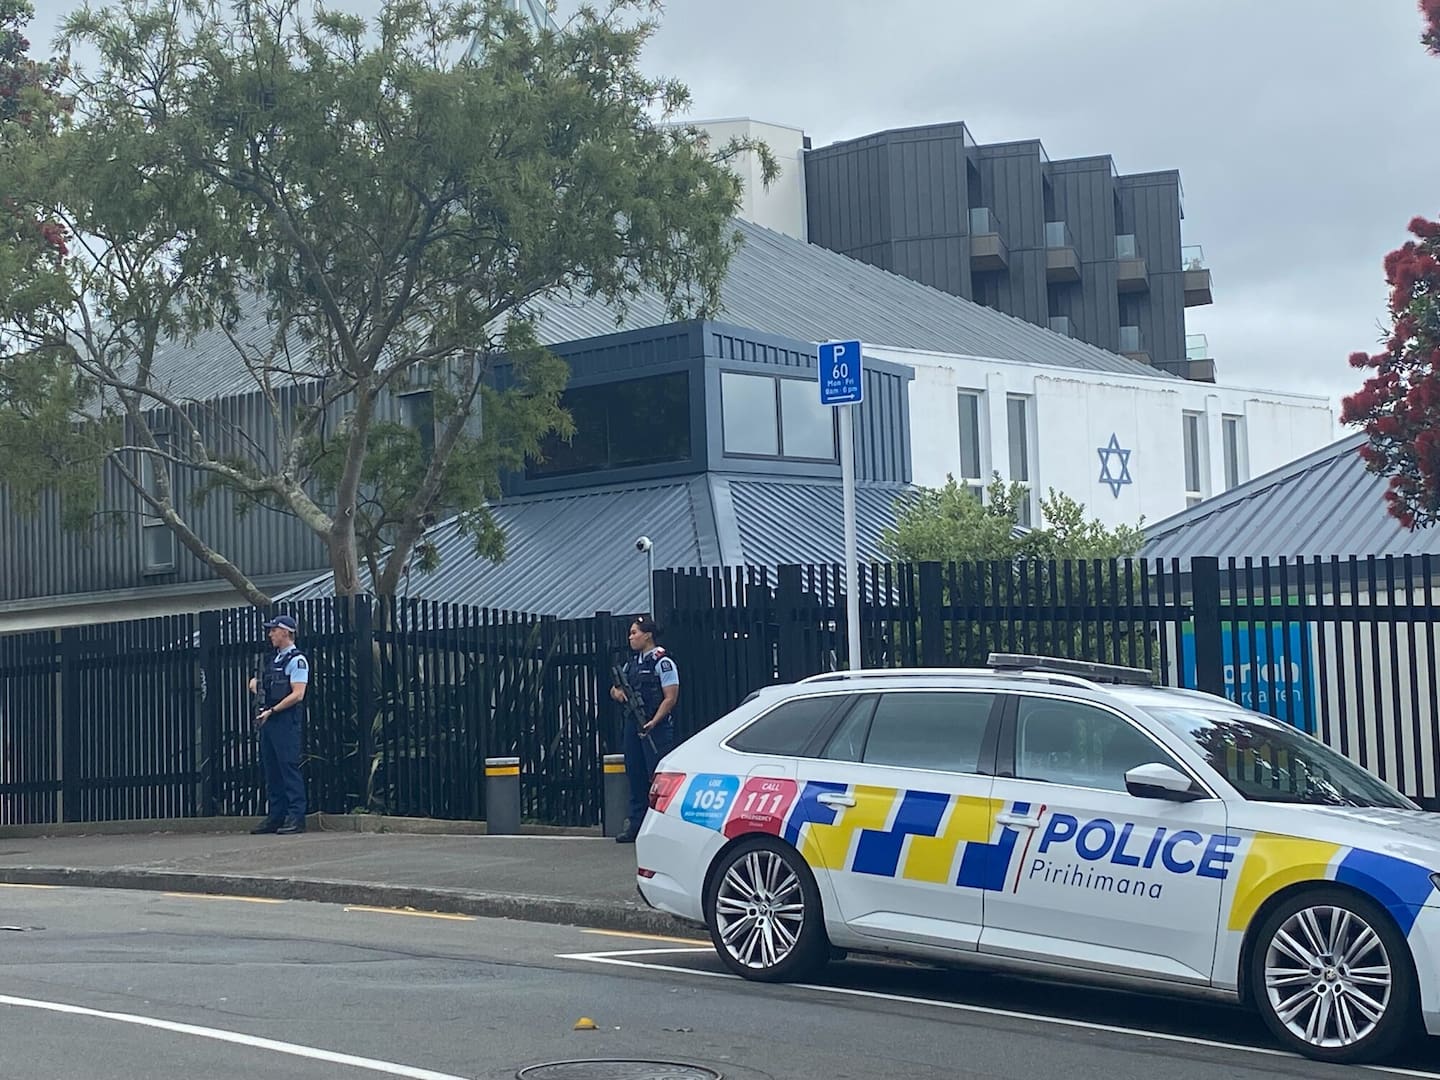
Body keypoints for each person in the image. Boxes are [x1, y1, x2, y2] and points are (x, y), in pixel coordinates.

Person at [609, 616, 678, 844]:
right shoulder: (631, 664)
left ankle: (662, 826)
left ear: (647, 635)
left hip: (656, 727)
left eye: (634, 632)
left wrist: (654, 722)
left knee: (657, 777)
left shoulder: (662, 662)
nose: (630, 637)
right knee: (635, 774)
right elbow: (615, 689)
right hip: (633, 724)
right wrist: (619, 694)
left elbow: (670, 697)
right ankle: (636, 824)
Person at [247, 614, 309, 835]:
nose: (270, 634)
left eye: (274, 630)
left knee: (288, 767)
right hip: (269, 719)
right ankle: (276, 816)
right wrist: (256, 686)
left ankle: (296, 817)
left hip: (285, 720)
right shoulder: (272, 660)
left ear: (286, 632)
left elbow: (298, 694)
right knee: (271, 769)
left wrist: (273, 710)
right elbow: (265, 686)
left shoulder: (297, 660)